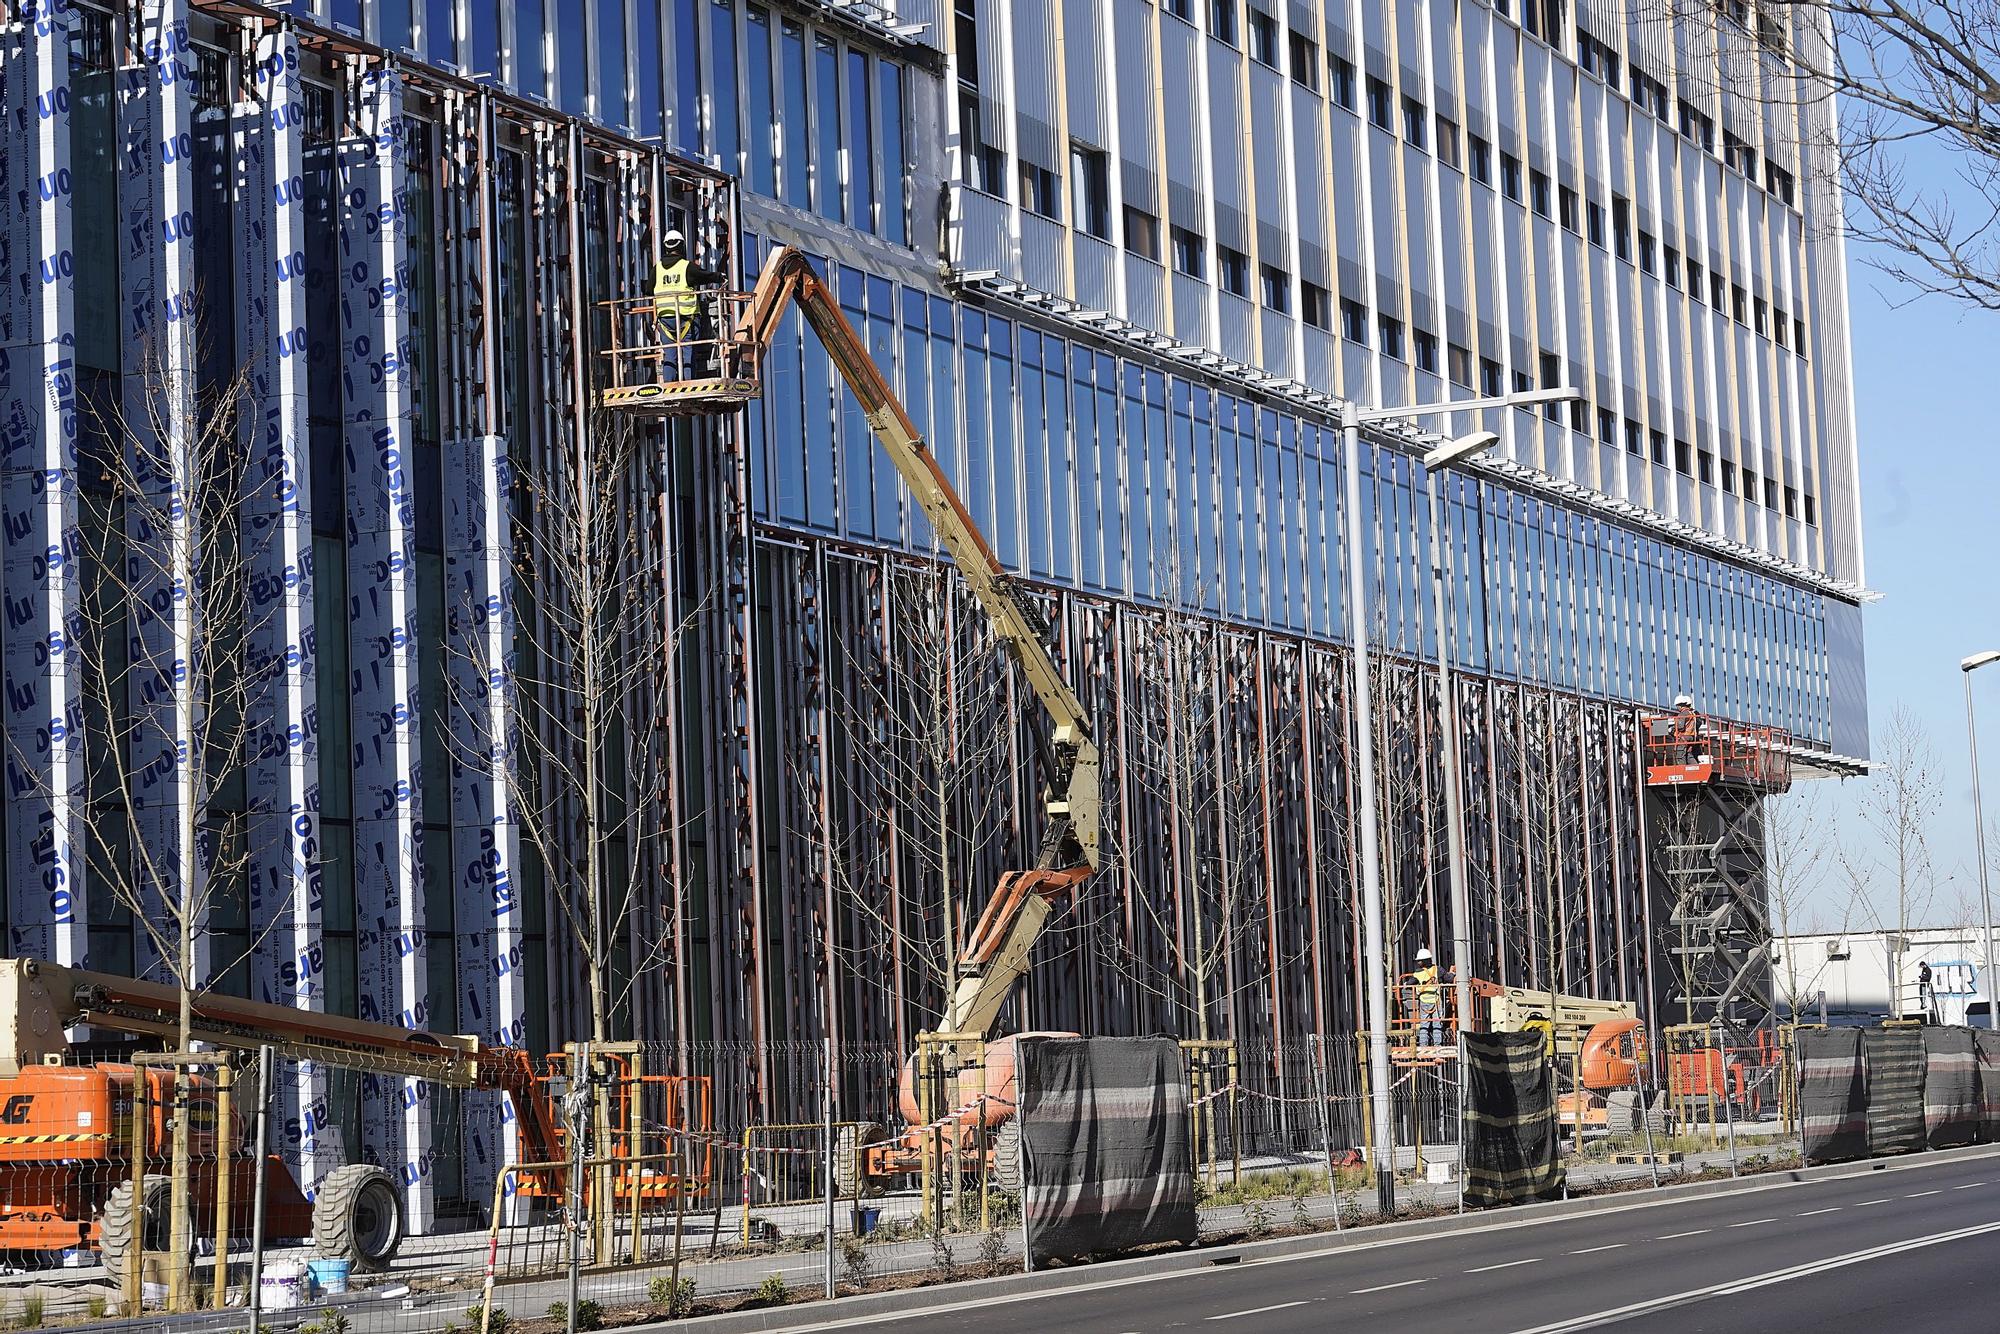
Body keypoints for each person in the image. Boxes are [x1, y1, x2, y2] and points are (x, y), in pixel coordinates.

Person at [652, 228, 726, 378]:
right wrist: (719, 277)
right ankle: (688, 383)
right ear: (681, 246)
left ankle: (669, 386)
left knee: (670, 355)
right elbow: (704, 275)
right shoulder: (686, 266)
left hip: (665, 319)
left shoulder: (657, 269)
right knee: (688, 352)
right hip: (686, 317)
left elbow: (648, 288)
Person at [1412, 947, 1446, 1047]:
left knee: (1424, 1024)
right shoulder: (1437, 969)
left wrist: (1406, 984)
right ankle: (1437, 1045)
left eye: (1419, 961)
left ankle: (1423, 1046)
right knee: (1437, 1023)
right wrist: (1453, 974)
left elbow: (1410, 983)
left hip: (1423, 1002)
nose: (1418, 963)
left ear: (1424, 961)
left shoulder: (1418, 973)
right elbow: (1448, 978)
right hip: (1436, 1001)